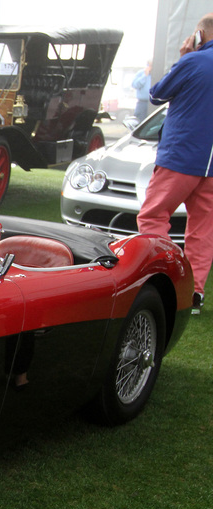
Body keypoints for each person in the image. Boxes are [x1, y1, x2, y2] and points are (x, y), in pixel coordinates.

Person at [137, 13, 213, 314]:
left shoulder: (192, 61)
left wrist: (183, 56)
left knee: (153, 216)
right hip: (210, 166)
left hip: (181, 156)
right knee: (203, 229)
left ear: (200, 35)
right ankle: (194, 293)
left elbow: (156, 94)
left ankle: (167, 282)